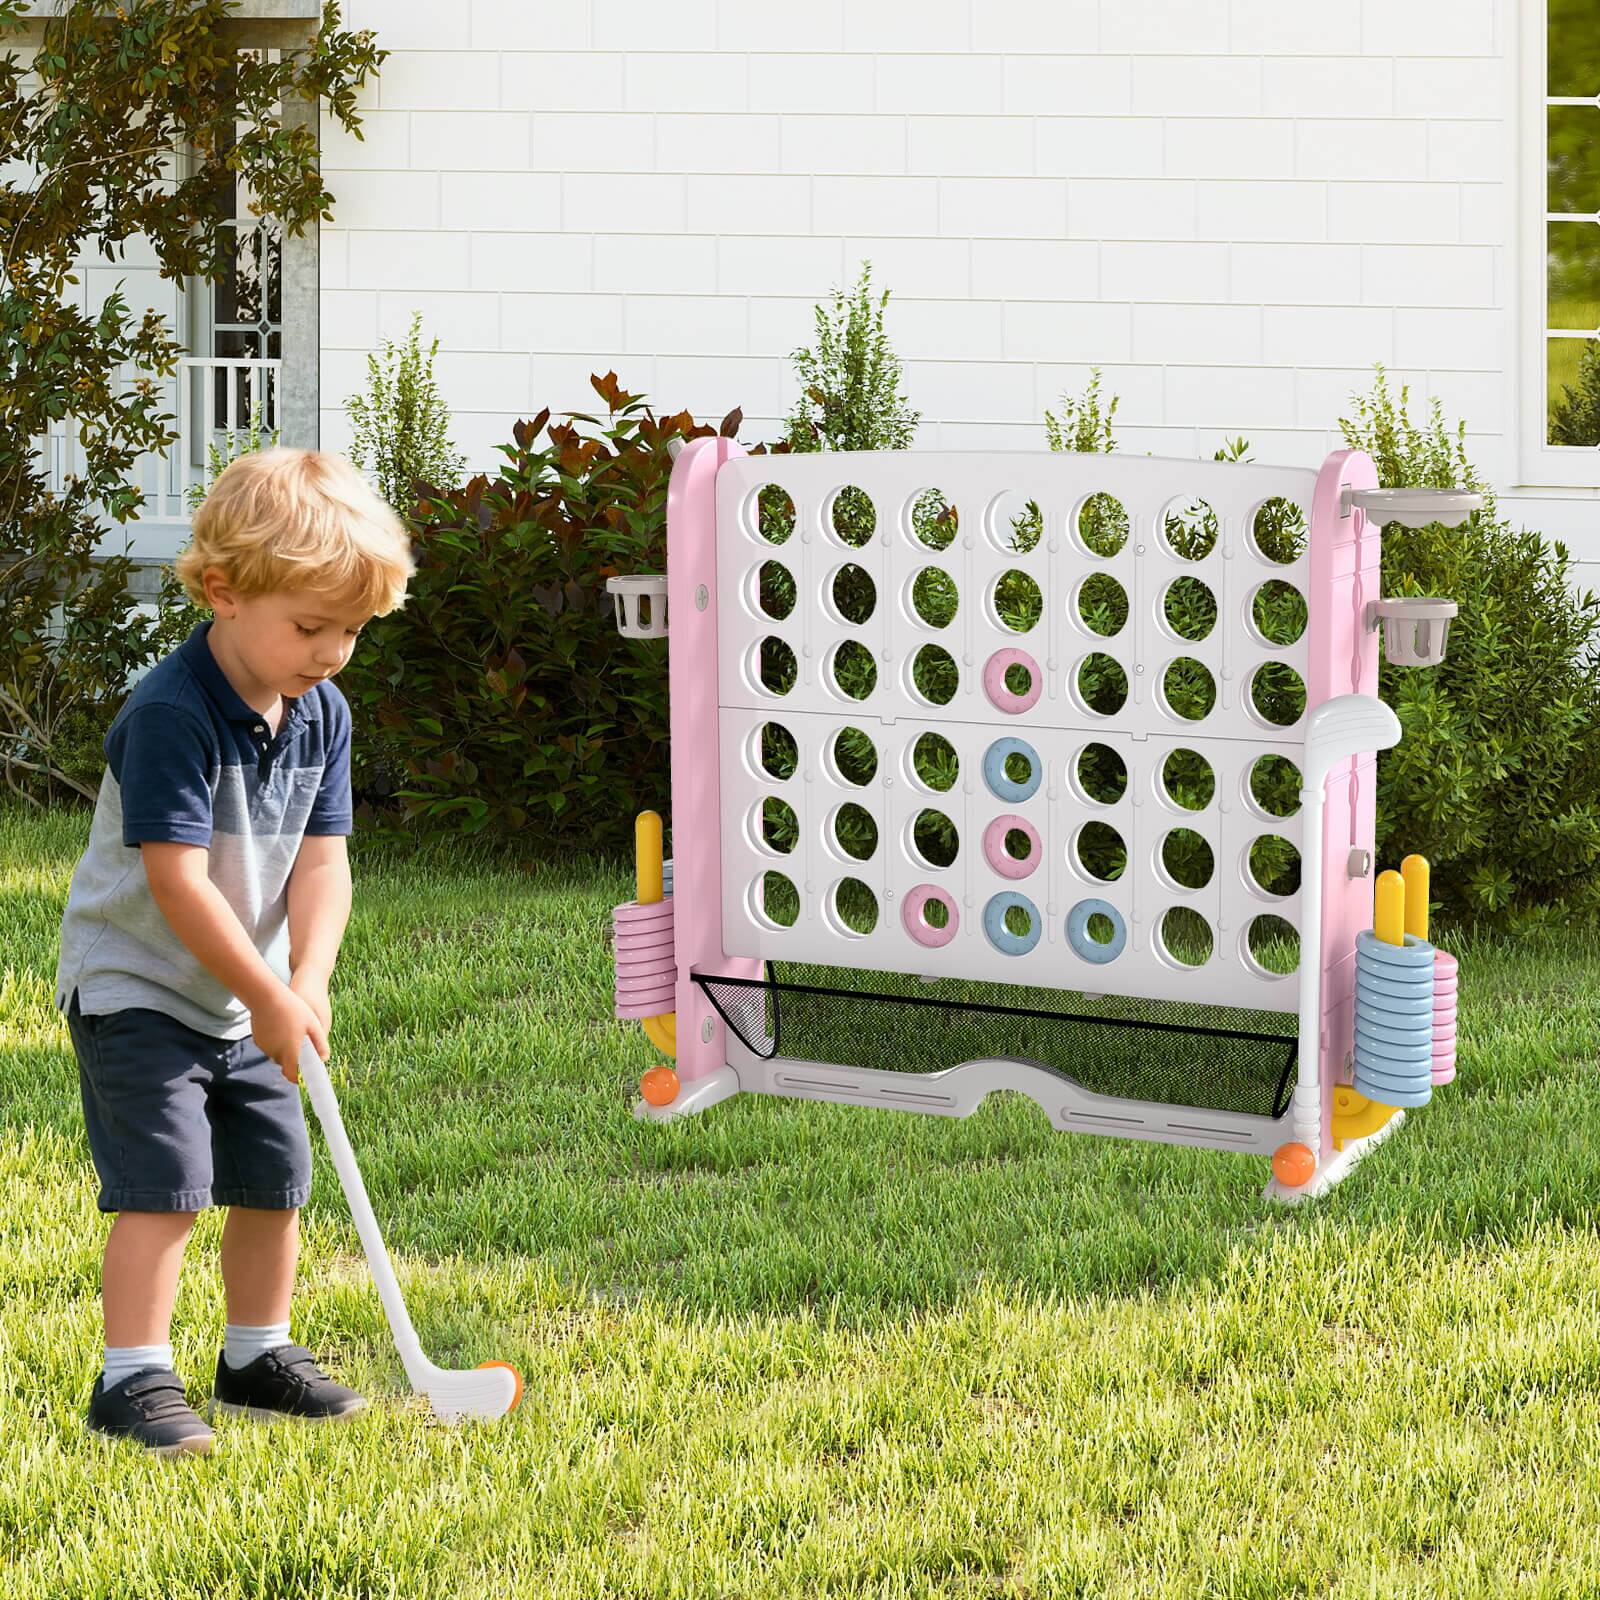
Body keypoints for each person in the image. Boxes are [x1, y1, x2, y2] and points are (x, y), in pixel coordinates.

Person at [54, 448, 415, 1455]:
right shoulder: (172, 713)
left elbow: (322, 866)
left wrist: (305, 979)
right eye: (311, 627)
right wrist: (265, 988)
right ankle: (132, 1378)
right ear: (223, 589)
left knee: (273, 1174)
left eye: (351, 629)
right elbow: (178, 881)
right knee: (167, 1185)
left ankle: (255, 1356)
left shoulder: (322, 712)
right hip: (140, 990)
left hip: (249, 994)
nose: (334, 651)